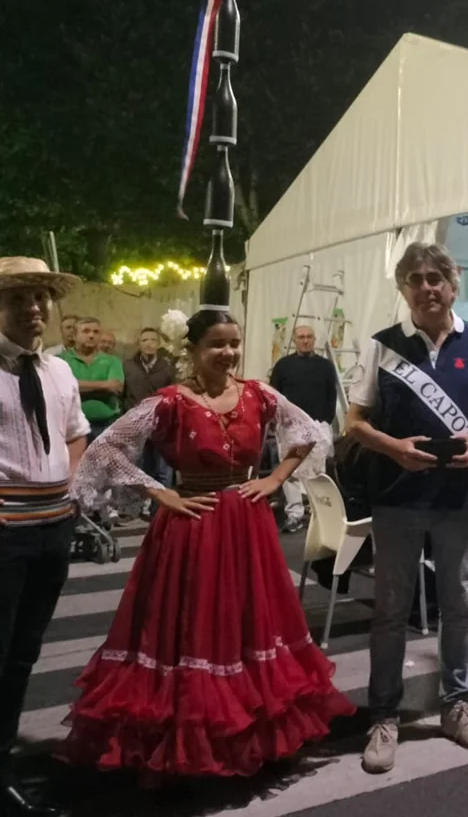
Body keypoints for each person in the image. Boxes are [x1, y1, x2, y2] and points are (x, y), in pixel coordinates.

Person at [59, 306, 353, 780]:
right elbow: (104, 448)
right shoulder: (170, 402)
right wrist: (160, 491)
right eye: (217, 344)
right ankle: (188, 736)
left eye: (234, 343)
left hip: (247, 523)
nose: (228, 353)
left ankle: (249, 733)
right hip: (191, 525)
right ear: (192, 350)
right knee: (191, 624)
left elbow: (310, 434)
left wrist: (275, 478)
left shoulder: (258, 393)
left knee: (246, 621)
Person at [346, 243, 468, 773]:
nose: (427, 286)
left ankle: (456, 703)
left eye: (436, 277)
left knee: (459, 607)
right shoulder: (382, 346)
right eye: (416, 278)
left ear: (453, 283)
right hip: (397, 498)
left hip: (458, 498)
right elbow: (354, 422)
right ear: (403, 288)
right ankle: (384, 712)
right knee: (391, 611)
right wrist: (395, 448)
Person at [0, 258, 89, 817]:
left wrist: (73, 486)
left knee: (23, 656)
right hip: (5, 532)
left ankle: (3, 761)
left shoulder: (58, 371)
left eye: (40, 297)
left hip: (53, 529)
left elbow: (77, 433)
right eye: (18, 298)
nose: (34, 307)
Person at [270, 324, 340, 532]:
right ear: (294, 340)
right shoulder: (283, 365)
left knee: (318, 471)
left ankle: (319, 513)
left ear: (314, 339)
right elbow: (275, 395)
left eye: (309, 336)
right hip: (291, 427)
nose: (305, 340)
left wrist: (325, 421)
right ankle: (295, 514)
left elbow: (332, 394)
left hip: (318, 425)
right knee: (290, 471)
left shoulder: (326, 366)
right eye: (301, 337)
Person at [122, 327, 177, 504]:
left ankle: (160, 507)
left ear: (158, 344)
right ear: (139, 343)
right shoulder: (128, 365)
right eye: (145, 340)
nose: (149, 343)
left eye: (153, 340)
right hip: (136, 422)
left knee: (163, 468)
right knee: (138, 466)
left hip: (162, 423)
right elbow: (123, 393)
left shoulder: (168, 366)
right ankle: (136, 506)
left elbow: (174, 393)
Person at [60, 317, 123, 442]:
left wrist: (77, 385)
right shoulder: (60, 360)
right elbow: (62, 388)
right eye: (86, 331)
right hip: (72, 428)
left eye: (96, 332)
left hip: (106, 426)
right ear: (74, 336)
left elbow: (116, 387)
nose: (91, 335)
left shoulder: (112, 361)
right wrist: (104, 385)